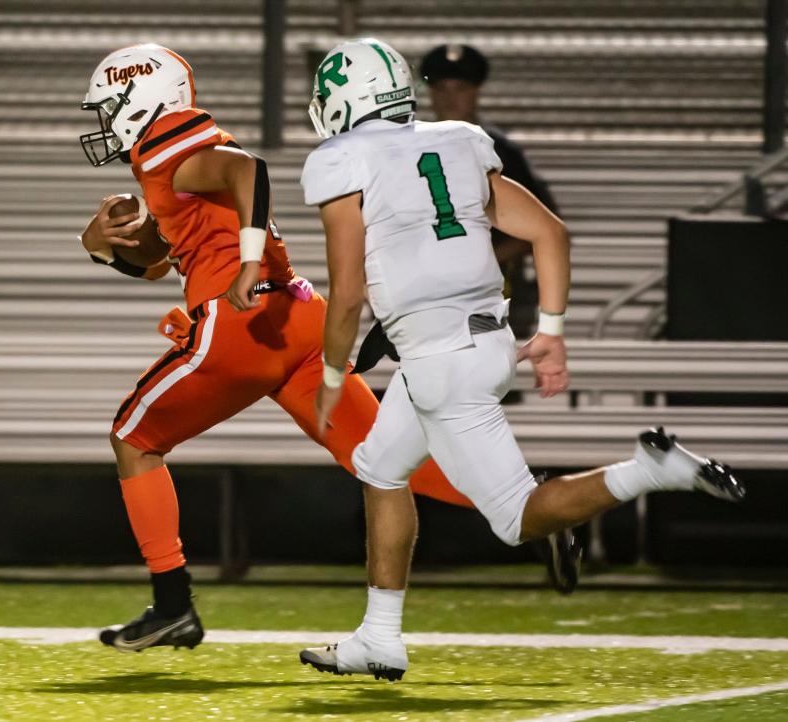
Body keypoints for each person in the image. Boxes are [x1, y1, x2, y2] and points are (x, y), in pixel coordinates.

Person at [297, 38, 745, 681]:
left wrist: (332, 377)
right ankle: (379, 639)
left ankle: (652, 470)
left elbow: (345, 295)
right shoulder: (457, 139)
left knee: (515, 518)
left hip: (440, 361)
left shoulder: (341, 159)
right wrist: (554, 331)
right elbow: (549, 234)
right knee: (380, 466)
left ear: (344, 98)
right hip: (488, 340)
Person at [76, 43, 507, 653]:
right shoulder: (171, 159)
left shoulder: (164, 140)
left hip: (241, 324)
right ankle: (531, 506)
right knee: (380, 458)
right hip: (300, 316)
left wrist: (247, 261)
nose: (104, 121)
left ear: (139, 100)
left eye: (109, 105)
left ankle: (172, 604)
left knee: (133, 438)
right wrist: (98, 245)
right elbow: (156, 262)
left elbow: (247, 169)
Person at [420, 43, 558, 339]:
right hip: (424, 294)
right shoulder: (408, 149)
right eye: (442, 88)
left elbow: (542, 228)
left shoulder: (500, 153)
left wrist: (483, 260)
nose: (450, 97)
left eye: (460, 87)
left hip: (491, 294)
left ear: (476, 92)